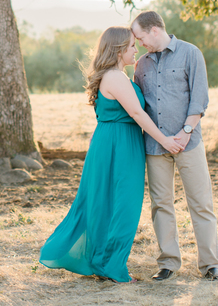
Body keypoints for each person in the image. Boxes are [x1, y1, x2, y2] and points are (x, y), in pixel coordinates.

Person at [39, 26, 183, 283]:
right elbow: (138, 114)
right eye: (131, 46)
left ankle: (104, 263)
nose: (135, 49)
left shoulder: (117, 75)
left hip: (114, 142)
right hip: (119, 146)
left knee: (109, 203)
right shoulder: (115, 78)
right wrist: (165, 141)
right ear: (118, 50)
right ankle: (113, 267)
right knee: (123, 205)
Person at [131, 10, 218, 282]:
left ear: (154, 30)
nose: (139, 44)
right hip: (155, 147)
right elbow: (141, 107)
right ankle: (168, 263)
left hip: (189, 142)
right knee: (161, 205)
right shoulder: (141, 66)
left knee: (201, 203)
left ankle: (210, 265)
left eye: (140, 37)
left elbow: (200, 98)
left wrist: (184, 133)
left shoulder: (190, 53)